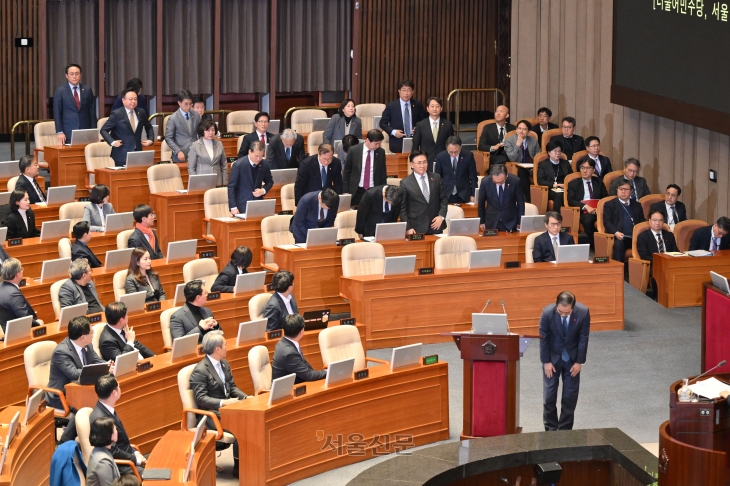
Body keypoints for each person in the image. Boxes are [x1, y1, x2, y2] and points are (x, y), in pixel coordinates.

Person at [190, 331, 248, 478]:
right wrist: (224, 402)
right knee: (242, 428)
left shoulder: (224, 363)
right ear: (217, 349)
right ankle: (239, 467)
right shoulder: (200, 371)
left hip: (229, 410)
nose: (227, 347)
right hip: (212, 415)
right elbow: (201, 399)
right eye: (225, 345)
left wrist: (246, 398)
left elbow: (232, 387)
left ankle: (250, 462)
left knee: (252, 422)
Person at [539, 291, 590, 431]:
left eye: (567, 313)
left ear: (573, 308)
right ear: (556, 306)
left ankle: (565, 430)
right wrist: (546, 362)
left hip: (572, 360)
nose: (563, 315)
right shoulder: (547, 312)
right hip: (553, 360)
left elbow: (583, 338)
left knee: (570, 397)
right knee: (549, 396)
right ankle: (550, 429)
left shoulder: (583, 312)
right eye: (560, 311)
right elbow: (543, 338)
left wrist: (579, 362)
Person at [47, 316, 109, 410]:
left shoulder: (88, 345)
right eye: (91, 332)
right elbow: (74, 374)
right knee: (93, 408)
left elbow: (97, 361)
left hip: (80, 390)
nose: (93, 334)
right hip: (62, 397)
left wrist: (108, 365)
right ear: (82, 337)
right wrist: (100, 369)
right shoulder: (61, 352)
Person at [90, 374, 148, 474]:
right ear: (114, 393)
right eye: (119, 386)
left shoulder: (106, 408)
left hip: (128, 455)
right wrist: (135, 459)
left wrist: (135, 452)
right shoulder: (101, 419)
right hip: (122, 467)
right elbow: (112, 450)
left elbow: (121, 442)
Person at [100, 88, 154, 167]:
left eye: (135, 99)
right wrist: (112, 142)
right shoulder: (117, 114)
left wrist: (150, 139)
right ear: (123, 100)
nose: (133, 101)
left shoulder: (141, 112)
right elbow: (103, 130)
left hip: (137, 153)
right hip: (121, 154)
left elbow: (149, 127)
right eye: (130, 99)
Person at [399, 151, 447, 235]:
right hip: (416, 227)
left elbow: (443, 199)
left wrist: (441, 216)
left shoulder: (436, 177)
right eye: (419, 163)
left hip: (435, 225)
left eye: (425, 162)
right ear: (412, 164)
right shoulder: (405, 183)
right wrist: (408, 227)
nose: (422, 166)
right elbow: (403, 209)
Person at [271, 314, 326, 384]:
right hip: (286, 391)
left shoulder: (283, 342)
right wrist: (328, 372)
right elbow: (309, 376)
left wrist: (314, 373)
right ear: (301, 332)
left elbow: (304, 364)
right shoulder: (289, 353)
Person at [567, 157, 607, 247]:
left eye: (588, 168)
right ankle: (598, 244)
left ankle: (610, 242)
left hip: (598, 210)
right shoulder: (573, 184)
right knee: (588, 220)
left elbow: (606, 197)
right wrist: (586, 207)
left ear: (593, 170)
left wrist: (599, 208)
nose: (584, 171)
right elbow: (571, 200)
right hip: (583, 212)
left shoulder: (599, 182)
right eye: (582, 167)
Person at [637, 210, 679, 297]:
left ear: (663, 222)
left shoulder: (669, 235)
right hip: (654, 264)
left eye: (660, 220)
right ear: (649, 221)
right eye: (655, 220)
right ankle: (659, 296)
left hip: (670, 262)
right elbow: (644, 255)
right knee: (660, 271)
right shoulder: (643, 236)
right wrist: (661, 261)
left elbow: (675, 251)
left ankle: (675, 296)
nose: (657, 223)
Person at [379, 79, 427, 153]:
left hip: (415, 141)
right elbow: (382, 123)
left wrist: (418, 129)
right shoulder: (391, 106)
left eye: (409, 90)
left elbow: (424, 121)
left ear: (412, 92)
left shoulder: (417, 105)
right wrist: (393, 132)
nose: (406, 93)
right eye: (404, 90)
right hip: (397, 142)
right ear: (399, 91)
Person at [53, 63, 97, 145]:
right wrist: (59, 132)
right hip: (68, 131)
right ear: (67, 75)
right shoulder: (60, 91)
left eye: (77, 74)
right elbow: (57, 113)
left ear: (80, 75)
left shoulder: (87, 90)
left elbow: (92, 112)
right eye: (71, 74)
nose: (74, 76)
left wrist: (93, 131)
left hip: (85, 130)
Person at [602, 179, 645, 262]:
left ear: (631, 191)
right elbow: (607, 222)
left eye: (626, 189)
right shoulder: (610, 204)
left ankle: (645, 272)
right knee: (619, 244)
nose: (623, 192)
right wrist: (616, 233)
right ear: (617, 190)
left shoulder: (637, 205)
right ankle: (619, 271)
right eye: (620, 189)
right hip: (620, 237)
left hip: (635, 237)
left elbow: (641, 221)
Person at [342, 129, 387, 205]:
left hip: (374, 189)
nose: (378, 146)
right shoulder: (353, 150)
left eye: (379, 143)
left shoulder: (380, 152)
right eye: (376, 143)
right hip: (356, 190)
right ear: (368, 140)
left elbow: (382, 173)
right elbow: (346, 172)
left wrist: (383, 190)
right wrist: (345, 191)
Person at [228, 141, 273, 215]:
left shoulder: (264, 164)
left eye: (261, 156)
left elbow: (270, 181)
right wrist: (233, 207)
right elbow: (231, 187)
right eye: (256, 156)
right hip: (242, 205)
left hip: (258, 203)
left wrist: (263, 190)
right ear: (249, 152)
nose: (258, 159)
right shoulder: (238, 165)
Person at [478, 164, 525, 232]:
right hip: (491, 222)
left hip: (510, 222)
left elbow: (520, 203)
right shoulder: (485, 182)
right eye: (495, 182)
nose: (499, 184)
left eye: (502, 182)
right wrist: (482, 221)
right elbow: (481, 203)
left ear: (506, 176)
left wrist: (520, 221)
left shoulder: (515, 181)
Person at [0, 258, 43, 332]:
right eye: (21, 269)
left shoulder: (1, 286)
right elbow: (25, 319)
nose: (23, 270)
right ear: (17, 274)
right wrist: (38, 324)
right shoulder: (14, 294)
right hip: (18, 333)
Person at [433, 137, 478, 204]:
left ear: (460, 147)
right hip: (446, 193)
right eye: (451, 152)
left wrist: (473, 194)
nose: (453, 154)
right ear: (446, 148)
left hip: (464, 194)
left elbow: (473, 177)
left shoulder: (468, 156)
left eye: (456, 152)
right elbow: (437, 177)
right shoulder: (441, 156)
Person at [503, 120, 539, 201]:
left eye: (524, 129)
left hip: (532, 167)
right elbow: (512, 158)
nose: (521, 131)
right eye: (519, 128)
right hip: (518, 166)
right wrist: (518, 145)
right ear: (516, 129)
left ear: (529, 131)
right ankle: (528, 200)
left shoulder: (533, 140)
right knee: (522, 173)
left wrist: (536, 166)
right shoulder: (509, 140)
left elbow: (538, 155)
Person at [411, 96, 454, 164]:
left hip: (443, 162)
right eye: (432, 106)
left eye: (437, 106)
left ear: (441, 108)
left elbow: (451, 144)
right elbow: (415, 146)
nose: (434, 109)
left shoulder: (447, 125)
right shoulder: (420, 125)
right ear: (427, 108)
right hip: (425, 162)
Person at [188, 119, 228, 186]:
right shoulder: (195, 145)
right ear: (202, 131)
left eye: (213, 130)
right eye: (208, 130)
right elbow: (191, 168)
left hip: (217, 181)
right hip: (201, 182)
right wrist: (195, 183)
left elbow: (224, 165)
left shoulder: (219, 144)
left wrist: (225, 182)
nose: (211, 133)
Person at [537, 140, 572, 212]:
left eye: (559, 151)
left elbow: (571, 177)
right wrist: (555, 185)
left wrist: (565, 185)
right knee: (559, 195)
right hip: (551, 189)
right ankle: (557, 217)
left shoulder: (565, 163)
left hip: (564, 187)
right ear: (549, 152)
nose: (558, 153)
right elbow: (540, 180)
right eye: (555, 151)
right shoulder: (543, 164)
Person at [165, 90, 200, 163]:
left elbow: (200, 132)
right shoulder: (173, 118)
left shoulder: (196, 115)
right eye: (186, 104)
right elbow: (168, 138)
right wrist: (178, 151)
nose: (189, 106)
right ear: (179, 103)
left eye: (190, 104)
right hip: (180, 156)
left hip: (195, 154)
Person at [87, 417, 120, 486]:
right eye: (115, 430)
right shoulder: (103, 462)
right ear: (108, 435)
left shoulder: (100, 449)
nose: (117, 431)